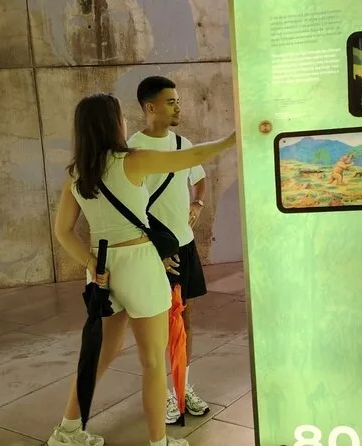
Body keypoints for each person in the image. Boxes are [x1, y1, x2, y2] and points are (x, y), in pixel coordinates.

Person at [49, 92, 235, 446]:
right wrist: (229, 140)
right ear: (112, 123)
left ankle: (67, 431)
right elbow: (190, 157)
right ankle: (158, 442)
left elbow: (63, 231)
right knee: (152, 361)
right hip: (139, 264)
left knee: (98, 355)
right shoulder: (131, 161)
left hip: (101, 268)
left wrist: (90, 262)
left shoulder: (77, 173)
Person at [127, 76, 210, 424]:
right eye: (171, 102)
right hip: (153, 250)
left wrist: (198, 203)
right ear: (150, 107)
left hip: (184, 246)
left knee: (185, 319)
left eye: (178, 101)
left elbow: (199, 178)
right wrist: (151, 249)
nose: (178, 107)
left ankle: (182, 386)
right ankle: (163, 393)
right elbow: (126, 206)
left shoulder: (181, 144)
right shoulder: (132, 150)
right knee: (157, 326)